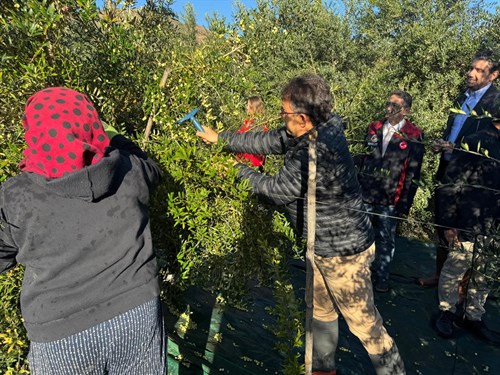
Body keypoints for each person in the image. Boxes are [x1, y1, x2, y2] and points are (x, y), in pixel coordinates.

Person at [196, 74, 405, 375]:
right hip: (320, 245)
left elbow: (277, 190)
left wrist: (235, 169)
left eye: (284, 113)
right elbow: (269, 140)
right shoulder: (313, 126)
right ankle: (322, 371)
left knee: (366, 326)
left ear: (303, 118)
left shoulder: (317, 150)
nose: (281, 118)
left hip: (344, 253)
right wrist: (222, 139)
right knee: (320, 314)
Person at [0, 87, 166, 374]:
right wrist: (114, 137)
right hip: (137, 312)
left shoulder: (16, 194)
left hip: (60, 332)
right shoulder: (129, 169)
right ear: (90, 123)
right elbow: (154, 168)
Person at [418, 50, 499, 287]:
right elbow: (453, 130)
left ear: (493, 75)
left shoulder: (496, 103)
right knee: (443, 223)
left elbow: (491, 143)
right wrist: (442, 144)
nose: (471, 73)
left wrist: (456, 147)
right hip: (448, 168)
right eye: (471, 68)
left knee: (465, 233)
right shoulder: (461, 98)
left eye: (479, 70)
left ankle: (459, 288)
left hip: (474, 176)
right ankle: (440, 276)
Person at [434, 106, 500, 345]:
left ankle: (474, 316)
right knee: (455, 268)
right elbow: (451, 185)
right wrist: (450, 224)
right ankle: (446, 312)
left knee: (484, 274)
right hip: (468, 221)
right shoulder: (475, 142)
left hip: (493, 225)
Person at [356, 90, 424, 292]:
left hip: (391, 195)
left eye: (394, 105)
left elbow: (414, 171)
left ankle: (382, 276)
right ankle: (361, 273)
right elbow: (363, 158)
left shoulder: (414, 135)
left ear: (406, 111)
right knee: (362, 234)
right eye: (388, 103)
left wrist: (405, 203)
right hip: (367, 191)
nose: (388, 108)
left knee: (386, 238)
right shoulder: (374, 127)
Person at [235, 95, 268, 172]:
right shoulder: (248, 121)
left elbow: (253, 144)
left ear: (254, 108)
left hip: (252, 165)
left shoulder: (260, 125)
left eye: (248, 105)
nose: (246, 108)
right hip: (242, 161)